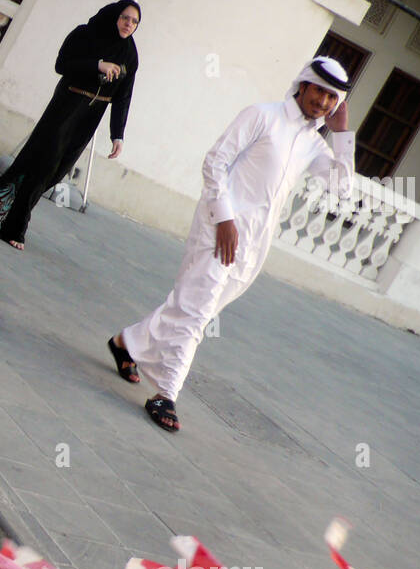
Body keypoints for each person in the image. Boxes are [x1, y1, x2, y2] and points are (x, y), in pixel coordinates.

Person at [107, 55, 355, 432]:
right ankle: (166, 394)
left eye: (331, 98)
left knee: (196, 310)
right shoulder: (262, 115)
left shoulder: (313, 145)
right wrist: (224, 217)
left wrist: (341, 135)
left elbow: (342, 188)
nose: (322, 102)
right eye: (319, 91)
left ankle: (127, 342)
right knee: (195, 312)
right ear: (303, 84)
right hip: (218, 228)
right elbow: (215, 163)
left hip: (254, 245)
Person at [0, 0, 140, 251]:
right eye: (125, 18)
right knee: (44, 165)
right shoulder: (84, 34)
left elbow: (124, 96)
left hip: (89, 119)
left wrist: (117, 135)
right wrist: (97, 64)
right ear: (114, 16)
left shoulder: (130, 54)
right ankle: (15, 228)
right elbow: (62, 65)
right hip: (65, 107)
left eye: (134, 22)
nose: (129, 24)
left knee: (55, 172)